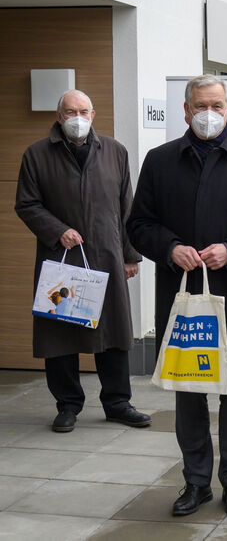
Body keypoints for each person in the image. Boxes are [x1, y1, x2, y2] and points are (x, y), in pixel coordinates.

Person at [127, 74, 227, 517]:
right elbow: (138, 225)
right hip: (182, 297)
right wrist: (169, 248)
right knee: (188, 392)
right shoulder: (160, 160)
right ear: (186, 110)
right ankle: (195, 482)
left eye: (217, 106)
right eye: (201, 106)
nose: (209, 114)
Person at [15, 90, 149, 434]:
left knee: (113, 332)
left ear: (93, 114)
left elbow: (127, 206)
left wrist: (130, 255)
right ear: (59, 116)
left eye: (83, 111)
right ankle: (67, 405)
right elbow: (27, 204)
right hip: (61, 260)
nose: (77, 118)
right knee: (60, 333)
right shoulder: (37, 154)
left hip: (107, 256)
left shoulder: (115, 151)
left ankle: (118, 403)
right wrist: (57, 230)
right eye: (70, 112)